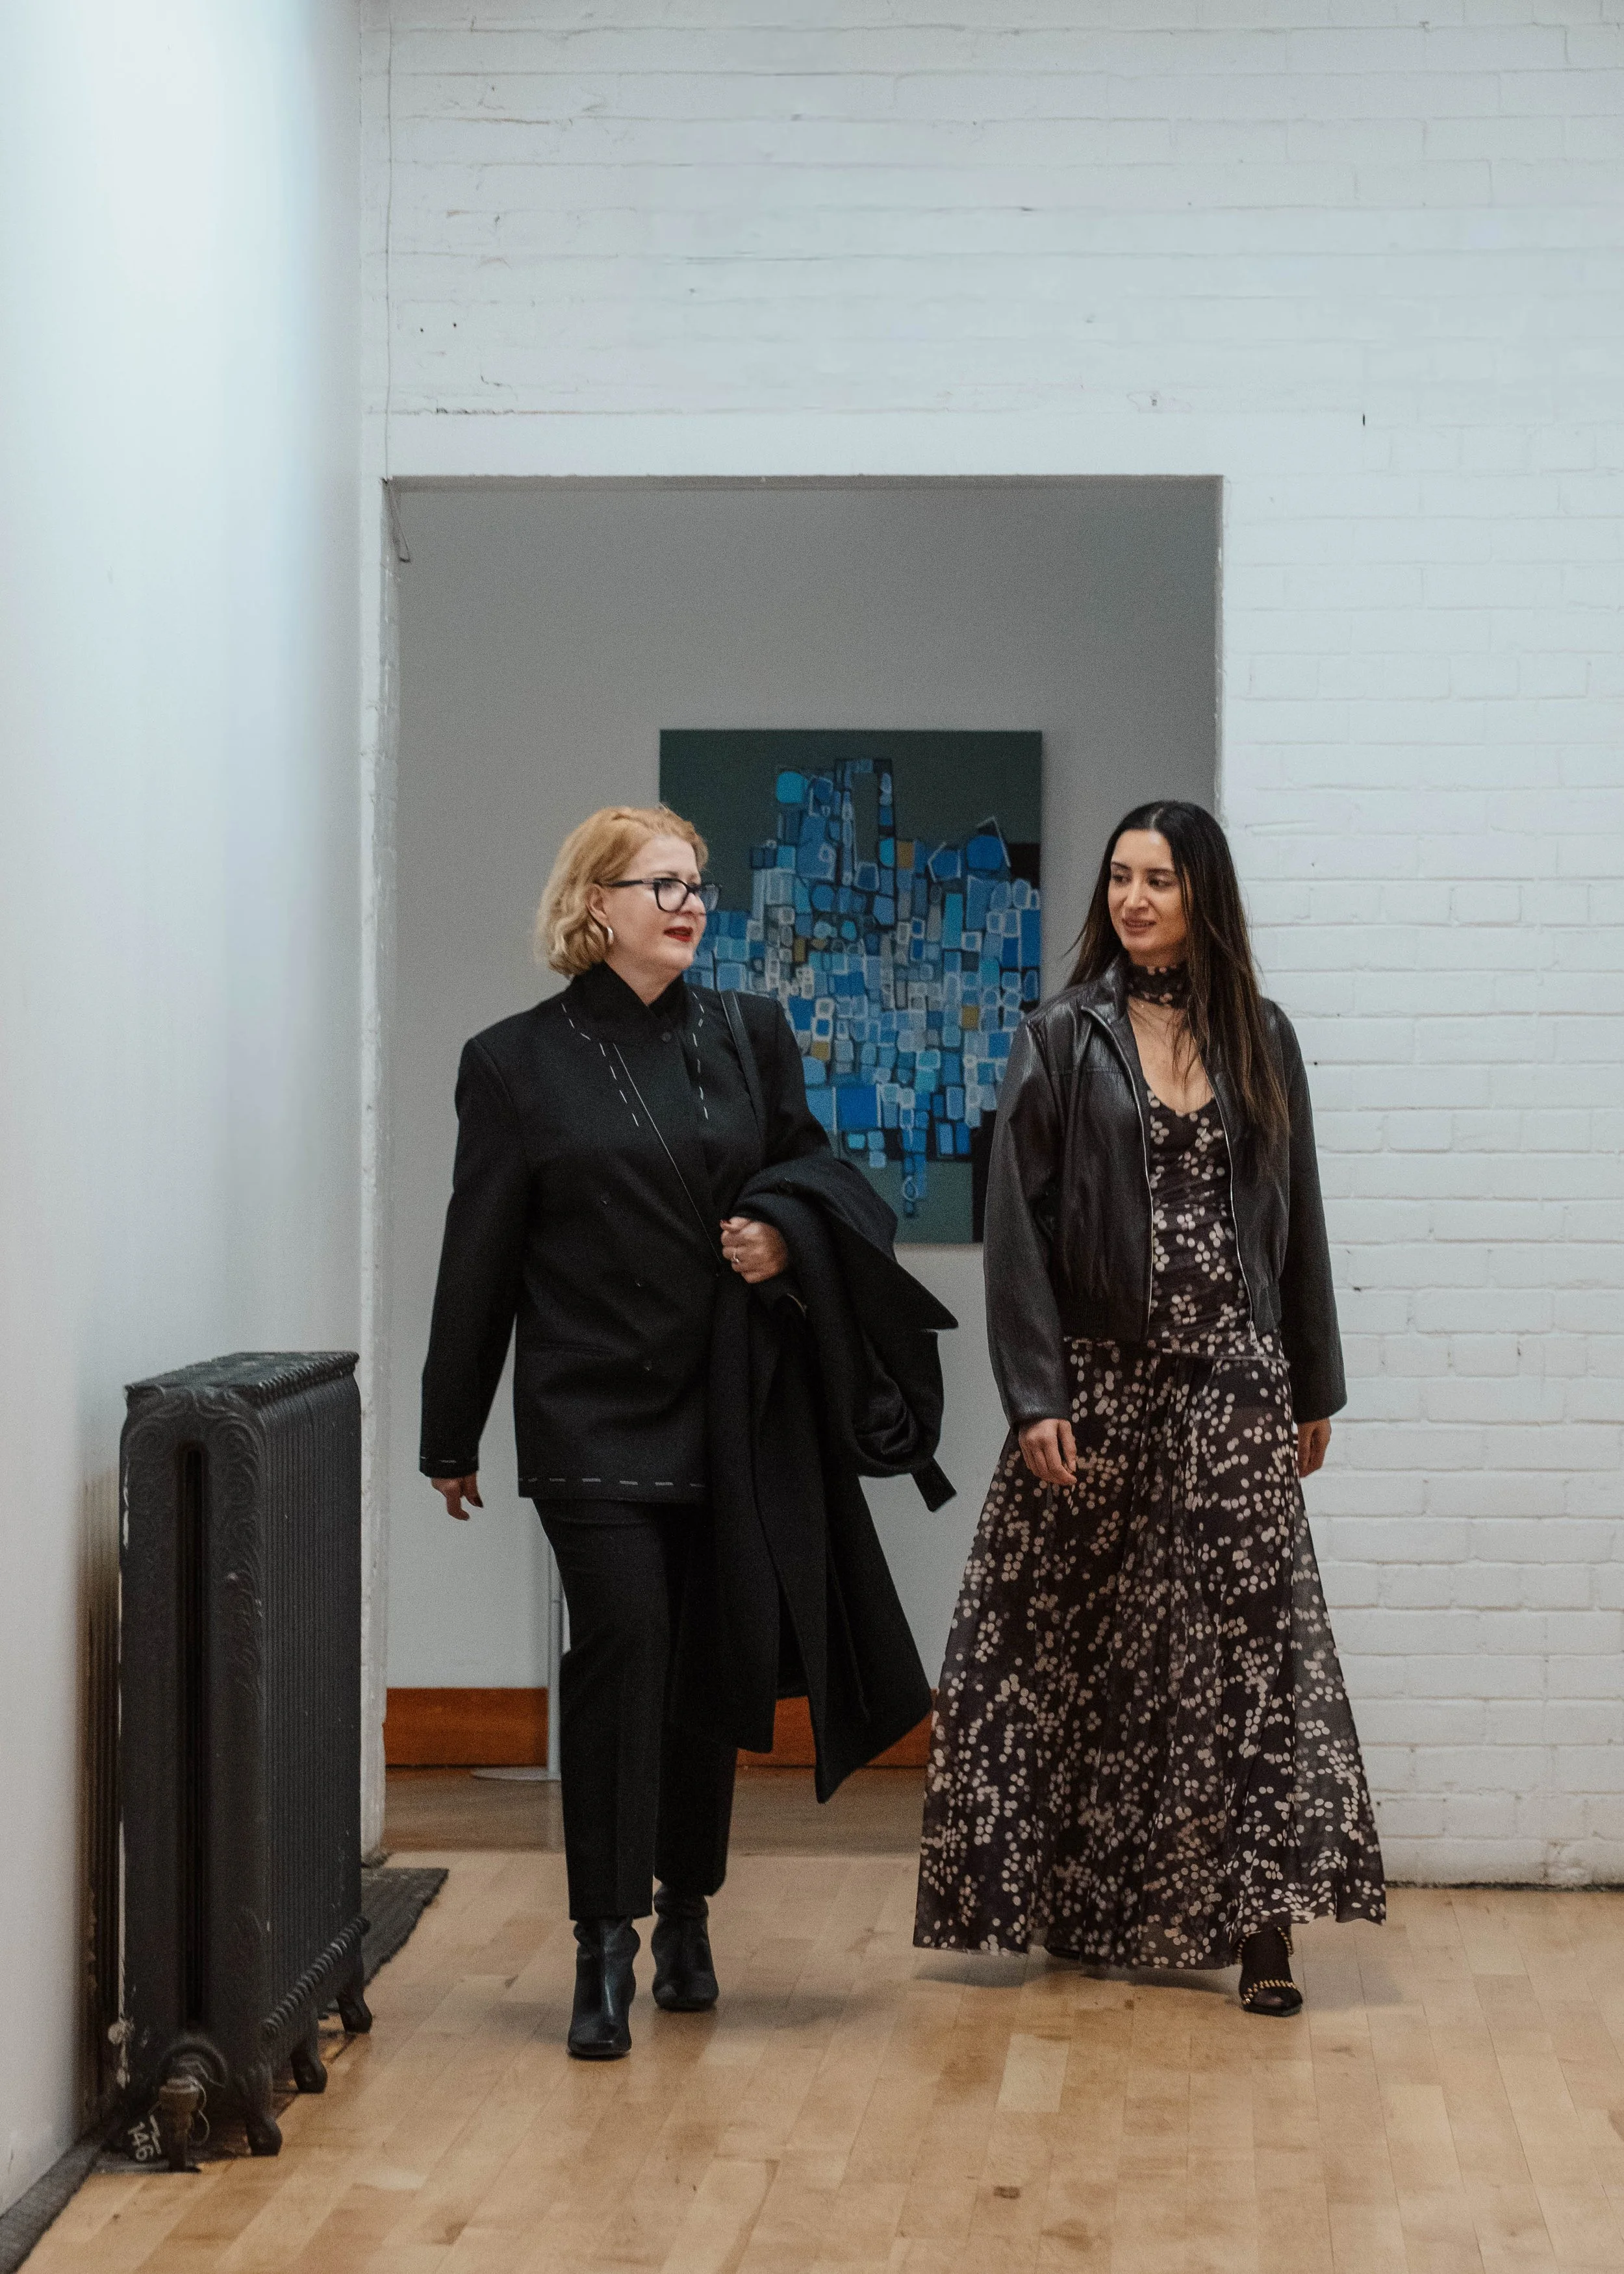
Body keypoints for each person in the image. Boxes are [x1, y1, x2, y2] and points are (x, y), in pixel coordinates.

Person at [420, 804, 950, 2061]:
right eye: (662, 884)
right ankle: (602, 1940)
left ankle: (689, 1912)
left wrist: (781, 1231)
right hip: (588, 1405)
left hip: (731, 1403)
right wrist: (454, 1430)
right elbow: (477, 1254)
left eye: (699, 883)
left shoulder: (749, 1033)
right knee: (628, 1651)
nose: (689, 902)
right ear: (595, 903)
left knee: (710, 1658)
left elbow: (817, 1170)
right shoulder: (512, 1062)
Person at [914, 800, 1384, 2013]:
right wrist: (1033, 1396)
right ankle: (1070, 1901)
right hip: (1100, 1383)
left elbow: (1301, 1221)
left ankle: (1264, 1933)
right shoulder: (1061, 1035)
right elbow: (1013, 1230)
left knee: (1244, 1652)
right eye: (1119, 879)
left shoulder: (1262, 1041)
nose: (1132, 900)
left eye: (1158, 881)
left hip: (1233, 1380)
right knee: (1070, 1648)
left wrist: (1312, 1379)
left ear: (1202, 896)